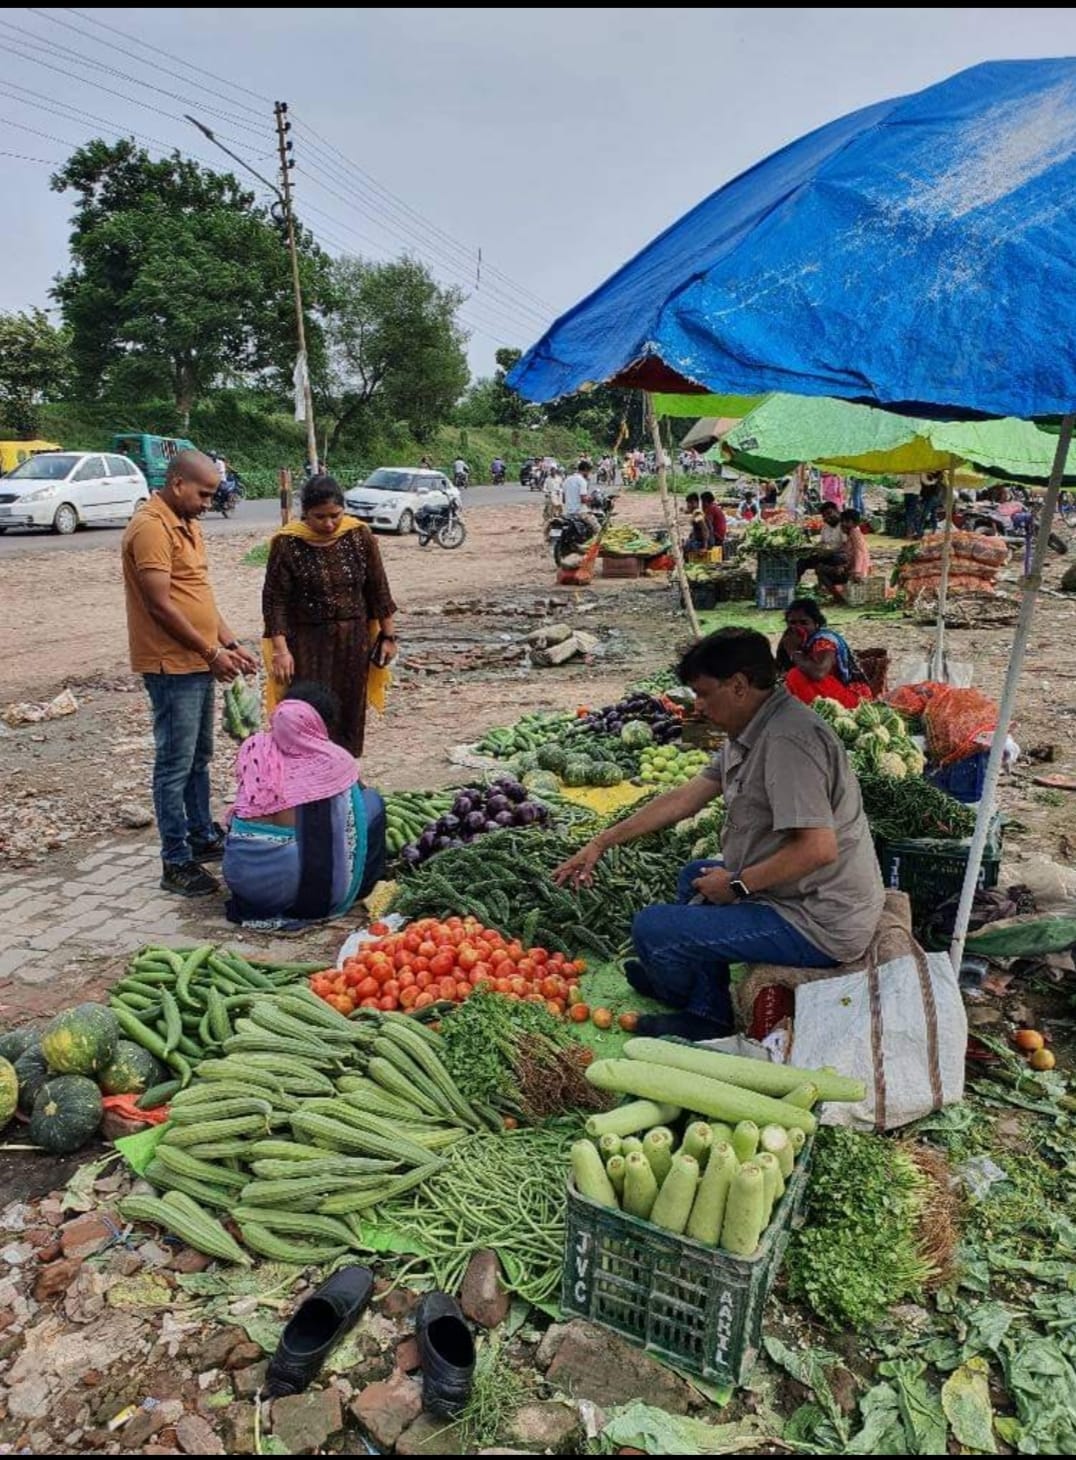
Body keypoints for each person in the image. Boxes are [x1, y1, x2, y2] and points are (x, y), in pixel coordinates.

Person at [554, 628, 884, 1041]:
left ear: (739, 686)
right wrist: (601, 842)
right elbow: (685, 798)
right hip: (798, 893)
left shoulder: (787, 742)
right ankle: (699, 995)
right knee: (693, 873)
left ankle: (700, 1011)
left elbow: (818, 848)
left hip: (818, 919)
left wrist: (739, 884)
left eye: (704, 693)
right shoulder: (754, 728)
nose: (699, 706)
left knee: (653, 928)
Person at [122, 449, 259, 898]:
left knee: (199, 757)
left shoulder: (190, 525)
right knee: (174, 763)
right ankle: (175, 861)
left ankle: (201, 835)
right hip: (171, 664)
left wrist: (230, 642)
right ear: (178, 483)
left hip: (199, 660)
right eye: (203, 494)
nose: (208, 503)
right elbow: (160, 604)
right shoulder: (151, 527)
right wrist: (208, 650)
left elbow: (198, 594)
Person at [222, 682, 386, 929]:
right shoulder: (334, 759)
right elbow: (353, 809)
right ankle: (359, 882)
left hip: (244, 882)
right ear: (320, 724)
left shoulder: (254, 749)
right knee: (372, 803)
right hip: (296, 893)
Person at [262, 475, 398, 759]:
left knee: (349, 707)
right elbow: (275, 601)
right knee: (309, 709)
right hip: (307, 643)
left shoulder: (359, 536)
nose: (328, 524)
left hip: (353, 641)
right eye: (319, 517)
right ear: (305, 514)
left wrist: (388, 636)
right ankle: (310, 772)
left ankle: (345, 769)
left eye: (335, 515)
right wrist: (281, 651)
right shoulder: (287, 544)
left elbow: (378, 589)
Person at [777, 598, 873, 709]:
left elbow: (818, 673)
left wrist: (794, 651)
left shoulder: (824, 641)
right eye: (792, 623)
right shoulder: (792, 638)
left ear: (816, 624)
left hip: (854, 698)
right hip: (830, 693)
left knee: (796, 675)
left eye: (804, 623)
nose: (798, 628)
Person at [817, 509, 871, 599]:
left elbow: (859, 553)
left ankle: (838, 597)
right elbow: (850, 554)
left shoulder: (855, 533)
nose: (841, 525)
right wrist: (843, 566)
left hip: (857, 573)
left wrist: (856, 572)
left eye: (842, 522)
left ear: (850, 522)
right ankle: (838, 595)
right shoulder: (851, 533)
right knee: (825, 567)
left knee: (821, 569)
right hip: (850, 569)